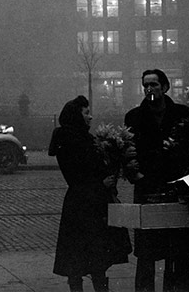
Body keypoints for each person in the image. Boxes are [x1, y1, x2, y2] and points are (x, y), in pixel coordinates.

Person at [124, 69, 189, 292]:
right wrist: (133, 173)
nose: (149, 89)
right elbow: (128, 151)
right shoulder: (134, 117)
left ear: (165, 87)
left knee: (179, 251)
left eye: (154, 85)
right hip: (147, 189)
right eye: (146, 85)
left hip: (177, 188)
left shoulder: (182, 113)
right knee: (147, 253)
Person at [49, 95, 131, 292]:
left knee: (79, 259)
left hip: (80, 203)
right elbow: (78, 173)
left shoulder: (75, 138)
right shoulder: (76, 140)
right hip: (87, 204)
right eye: (86, 113)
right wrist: (101, 182)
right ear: (77, 116)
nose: (90, 117)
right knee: (95, 258)